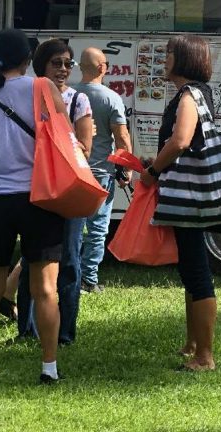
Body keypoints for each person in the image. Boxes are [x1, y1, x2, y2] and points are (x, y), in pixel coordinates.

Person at [0, 28, 69, 384]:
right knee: (45, 288)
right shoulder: (42, 88)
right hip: (38, 197)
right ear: (27, 58)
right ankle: (49, 367)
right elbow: (65, 139)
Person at [140, 35, 221, 371]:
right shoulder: (196, 93)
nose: (164, 58)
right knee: (191, 267)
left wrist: (152, 171)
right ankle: (192, 343)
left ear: (184, 58)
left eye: (169, 53)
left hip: (189, 196)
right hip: (190, 193)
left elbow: (182, 140)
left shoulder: (190, 95)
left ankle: (205, 355)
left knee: (197, 271)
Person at [16, 39, 92, 345]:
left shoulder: (78, 101)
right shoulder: (27, 96)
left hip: (68, 192)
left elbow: (84, 149)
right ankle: (26, 328)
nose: (63, 69)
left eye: (67, 64)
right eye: (56, 63)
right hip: (33, 189)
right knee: (30, 261)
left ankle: (65, 333)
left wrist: (59, 139)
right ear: (41, 66)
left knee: (70, 262)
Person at [72, 47, 132, 293]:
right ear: (101, 67)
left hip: (73, 170)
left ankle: (70, 273)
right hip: (100, 172)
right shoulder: (111, 98)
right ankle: (89, 279)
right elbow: (122, 137)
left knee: (73, 226)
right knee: (97, 228)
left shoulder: (70, 94)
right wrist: (126, 169)